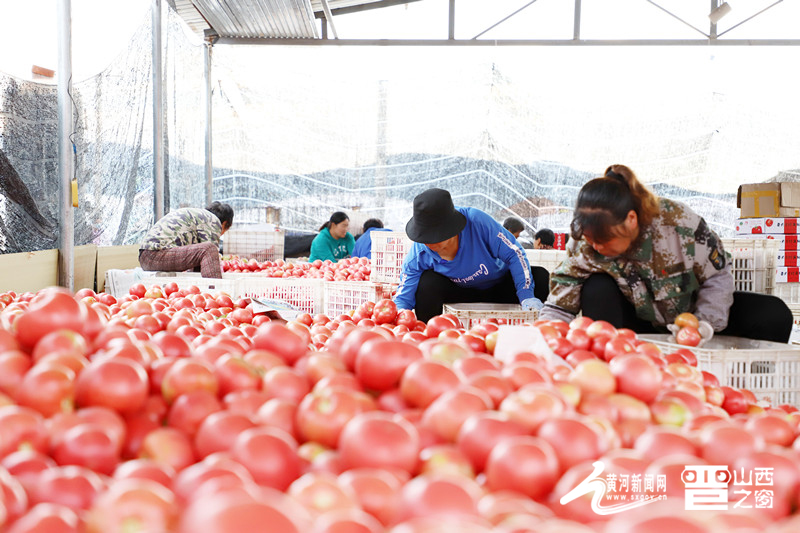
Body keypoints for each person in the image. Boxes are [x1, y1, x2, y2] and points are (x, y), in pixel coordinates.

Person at [539, 164, 792, 343]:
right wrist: (543, 337)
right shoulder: (585, 244)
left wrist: (704, 324)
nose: (596, 247)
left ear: (631, 220)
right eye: (591, 240)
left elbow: (717, 277)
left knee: (772, 313)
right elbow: (560, 305)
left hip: (691, 318)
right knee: (597, 288)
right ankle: (612, 370)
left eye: (604, 240)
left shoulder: (679, 226)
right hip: (635, 328)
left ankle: (754, 384)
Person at [394, 188, 550, 322]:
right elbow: (403, 297)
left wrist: (526, 295)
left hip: (500, 286)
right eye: (425, 237)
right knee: (427, 283)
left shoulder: (477, 222)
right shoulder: (418, 254)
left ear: (453, 228)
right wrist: (397, 315)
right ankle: (429, 334)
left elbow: (514, 253)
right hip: (461, 292)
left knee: (542, 277)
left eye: (436, 236)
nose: (430, 243)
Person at [138, 201, 234, 278]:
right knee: (209, 249)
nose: (220, 235)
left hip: (147, 256)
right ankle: (215, 292)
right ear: (224, 223)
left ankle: (199, 290)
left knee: (203, 253)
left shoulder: (199, 217)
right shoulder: (213, 220)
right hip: (155, 255)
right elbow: (212, 254)